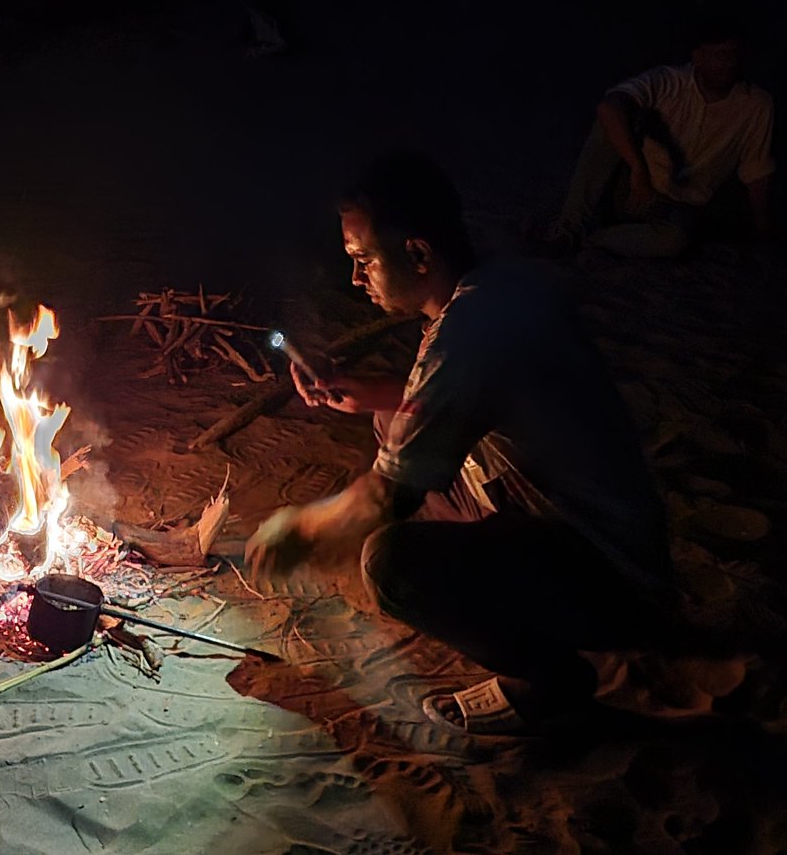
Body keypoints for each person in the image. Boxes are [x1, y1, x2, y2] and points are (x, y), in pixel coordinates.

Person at [245, 149, 678, 736]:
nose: (355, 278)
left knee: (392, 562)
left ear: (418, 252)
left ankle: (549, 678)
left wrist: (294, 531)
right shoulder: (493, 288)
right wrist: (371, 392)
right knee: (390, 425)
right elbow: (466, 402)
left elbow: (384, 499)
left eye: (363, 259)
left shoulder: (466, 333)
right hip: (579, 522)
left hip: (612, 575)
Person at [543, 14, 775, 260]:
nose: (727, 64)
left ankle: (592, 239)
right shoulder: (669, 82)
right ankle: (568, 228)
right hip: (631, 187)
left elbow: (756, 170)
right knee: (609, 124)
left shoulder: (756, 104)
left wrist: (761, 225)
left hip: (675, 206)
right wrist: (638, 169)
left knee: (673, 241)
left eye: (732, 54)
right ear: (697, 57)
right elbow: (609, 109)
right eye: (718, 55)